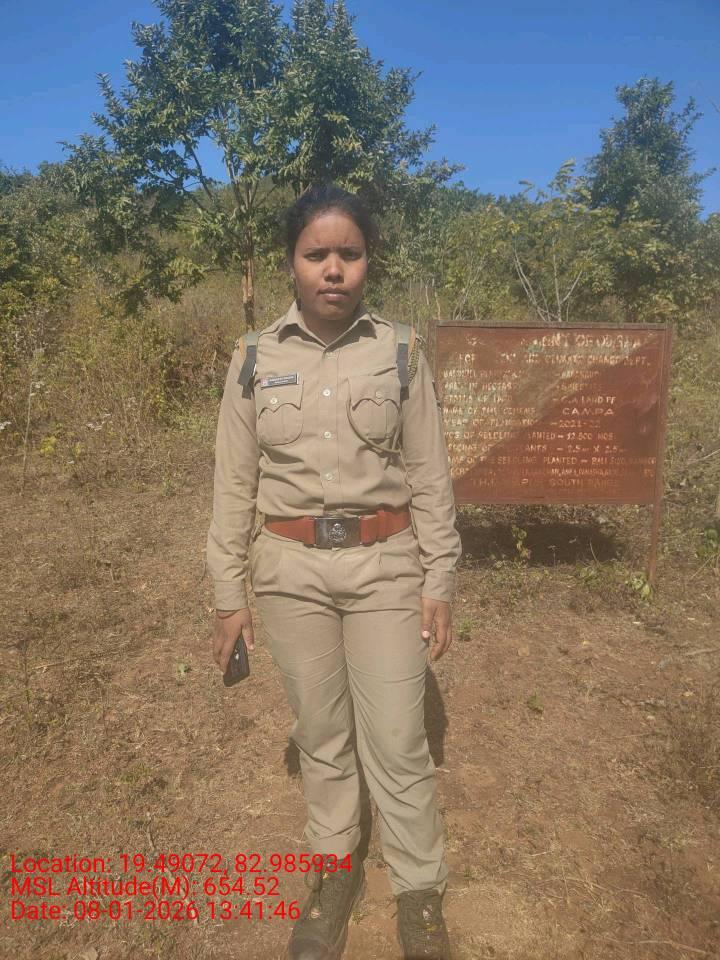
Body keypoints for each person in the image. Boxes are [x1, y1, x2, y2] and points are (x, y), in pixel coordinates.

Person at [206, 183, 462, 960]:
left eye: (349, 254)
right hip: (290, 573)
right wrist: (228, 595)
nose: (333, 269)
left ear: (367, 262)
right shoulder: (254, 358)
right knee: (321, 734)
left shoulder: (401, 351)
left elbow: (430, 476)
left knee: (399, 737)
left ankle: (419, 893)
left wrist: (438, 580)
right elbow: (233, 484)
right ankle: (333, 874)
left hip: (386, 567)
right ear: (290, 263)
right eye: (316, 254)